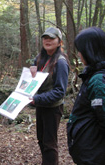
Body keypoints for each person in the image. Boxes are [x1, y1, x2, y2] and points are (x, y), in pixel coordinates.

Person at [30, 27, 69, 165]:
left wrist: (36, 99)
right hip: (41, 106)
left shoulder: (61, 62)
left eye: (52, 38)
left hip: (53, 108)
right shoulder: (40, 58)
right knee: (41, 139)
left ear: (59, 42)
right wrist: (32, 69)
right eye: (45, 38)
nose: (48, 40)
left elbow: (59, 92)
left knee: (49, 144)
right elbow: (36, 81)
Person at [67, 27, 105, 164]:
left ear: (90, 50)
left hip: (94, 154)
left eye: (80, 50)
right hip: (89, 153)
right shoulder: (92, 76)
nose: (78, 54)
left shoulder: (98, 81)